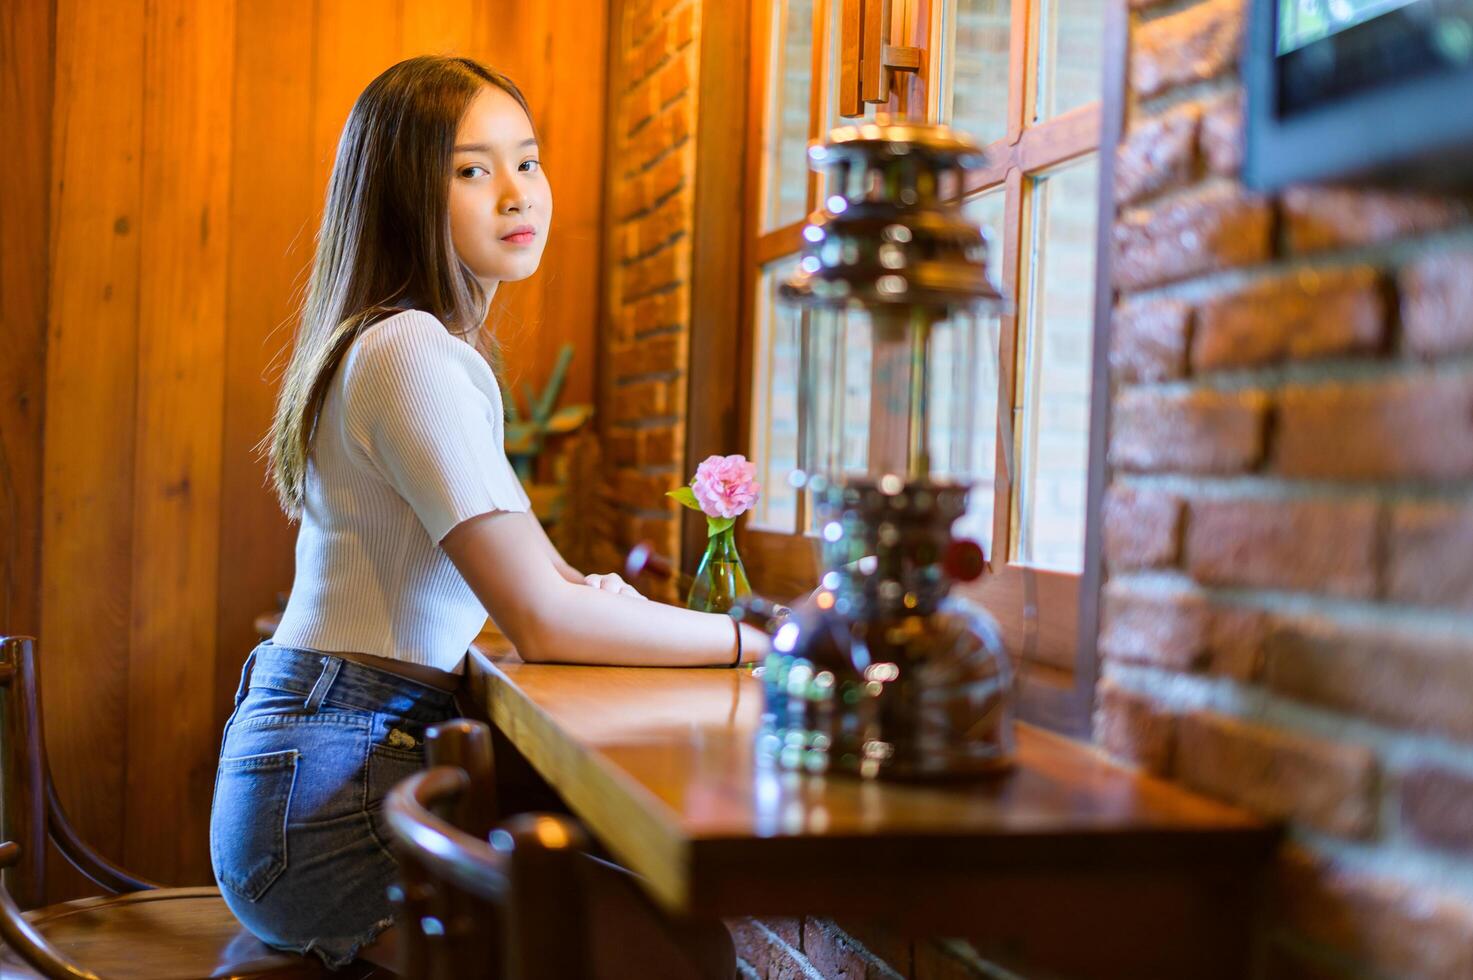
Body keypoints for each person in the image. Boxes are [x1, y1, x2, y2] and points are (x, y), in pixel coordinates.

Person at [208, 55, 764, 973]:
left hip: (330, 764)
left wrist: (624, 605)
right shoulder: (408, 350)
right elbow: (545, 618)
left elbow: (550, 581)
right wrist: (757, 645)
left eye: (528, 161)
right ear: (401, 195)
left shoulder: (410, 346)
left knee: (673, 937)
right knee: (679, 953)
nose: (516, 194)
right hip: (328, 803)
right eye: (472, 170)